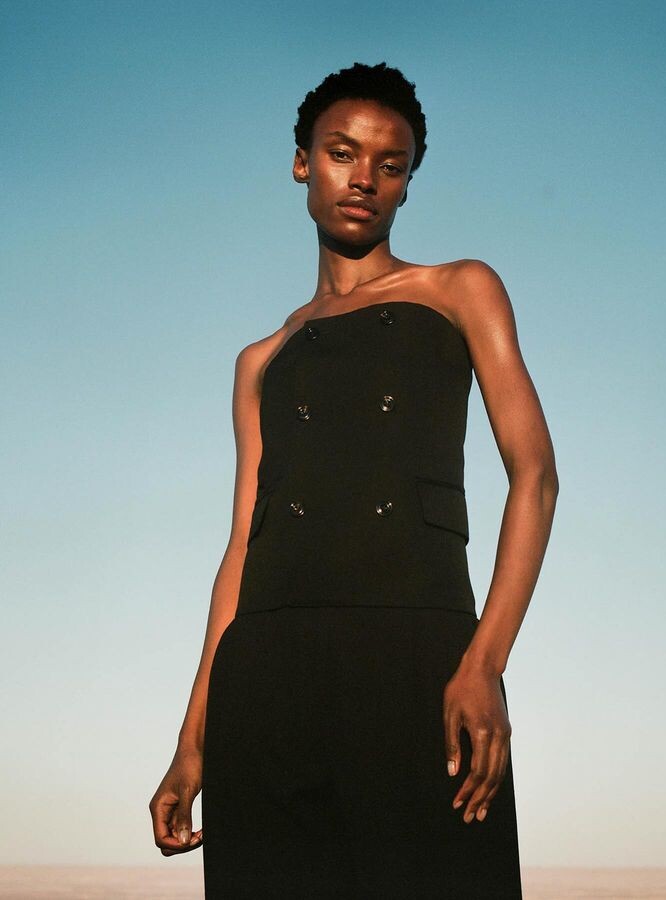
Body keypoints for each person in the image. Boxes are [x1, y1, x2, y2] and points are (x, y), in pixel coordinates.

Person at [149, 61, 559, 898]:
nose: (364, 178)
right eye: (342, 153)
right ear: (303, 163)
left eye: (390, 163)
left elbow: (536, 478)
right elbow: (241, 549)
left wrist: (484, 661)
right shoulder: (260, 361)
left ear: (407, 182)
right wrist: (193, 742)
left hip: (419, 661)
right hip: (266, 681)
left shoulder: (459, 290)